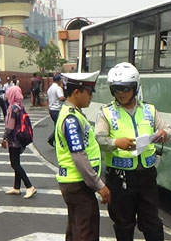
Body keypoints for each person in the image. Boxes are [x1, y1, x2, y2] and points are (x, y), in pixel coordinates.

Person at [95, 62, 171, 241]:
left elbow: (169, 131)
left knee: (152, 223)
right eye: (116, 89)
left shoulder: (149, 110)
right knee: (124, 224)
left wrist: (163, 134)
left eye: (125, 89)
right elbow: (98, 139)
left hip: (146, 176)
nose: (121, 93)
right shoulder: (106, 113)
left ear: (135, 87)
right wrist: (116, 142)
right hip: (119, 178)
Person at [54, 70, 111, 241]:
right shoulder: (71, 119)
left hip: (73, 183)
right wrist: (99, 185)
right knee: (87, 233)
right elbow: (79, 156)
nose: (91, 97)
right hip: (78, 183)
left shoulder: (74, 113)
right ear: (77, 92)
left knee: (75, 230)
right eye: (89, 92)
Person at [1, 85, 37, 198]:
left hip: (14, 139)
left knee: (14, 164)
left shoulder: (13, 108)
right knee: (17, 162)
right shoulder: (20, 106)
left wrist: (4, 138)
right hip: (20, 138)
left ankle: (29, 186)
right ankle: (16, 187)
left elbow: (10, 127)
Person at [46, 74, 66, 147]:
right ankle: (52, 139)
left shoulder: (50, 88)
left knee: (56, 125)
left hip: (51, 109)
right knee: (59, 126)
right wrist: (66, 99)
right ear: (59, 80)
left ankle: (53, 139)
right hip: (57, 109)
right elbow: (61, 97)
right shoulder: (58, 88)